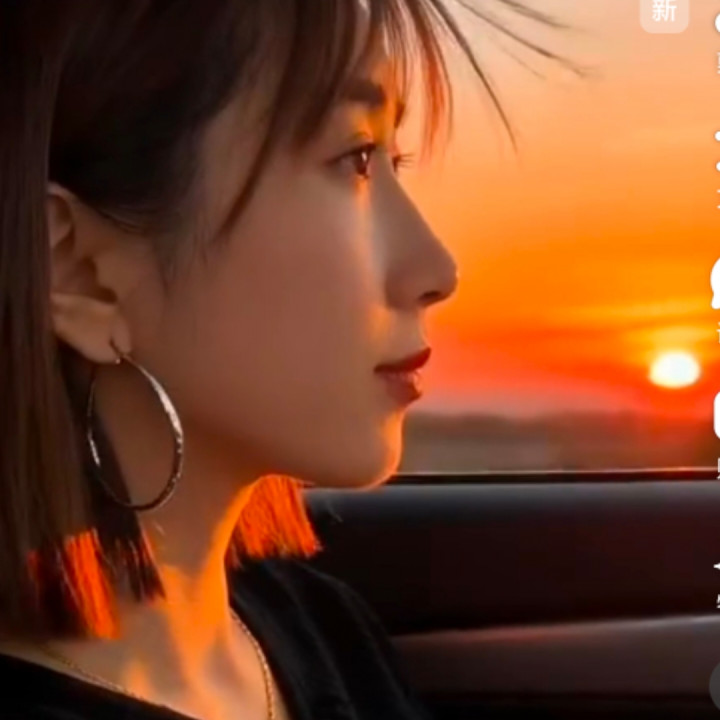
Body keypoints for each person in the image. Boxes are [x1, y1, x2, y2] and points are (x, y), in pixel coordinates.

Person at [0, 1, 567, 718]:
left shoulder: (325, 633)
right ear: (83, 273)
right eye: (356, 158)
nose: (436, 270)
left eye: (393, 159)